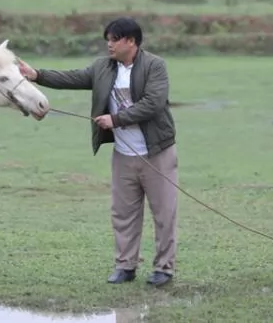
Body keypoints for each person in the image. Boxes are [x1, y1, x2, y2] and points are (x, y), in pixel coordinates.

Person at [18, 17, 178, 287]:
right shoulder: (103, 67)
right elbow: (72, 78)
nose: (109, 44)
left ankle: (164, 269)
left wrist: (115, 120)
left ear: (131, 41)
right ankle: (125, 266)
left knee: (164, 213)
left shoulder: (155, 66)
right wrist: (38, 75)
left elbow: (154, 103)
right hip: (123, 155)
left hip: (156, 153)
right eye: (108, 39)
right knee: (123, 213)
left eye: (115, 39)